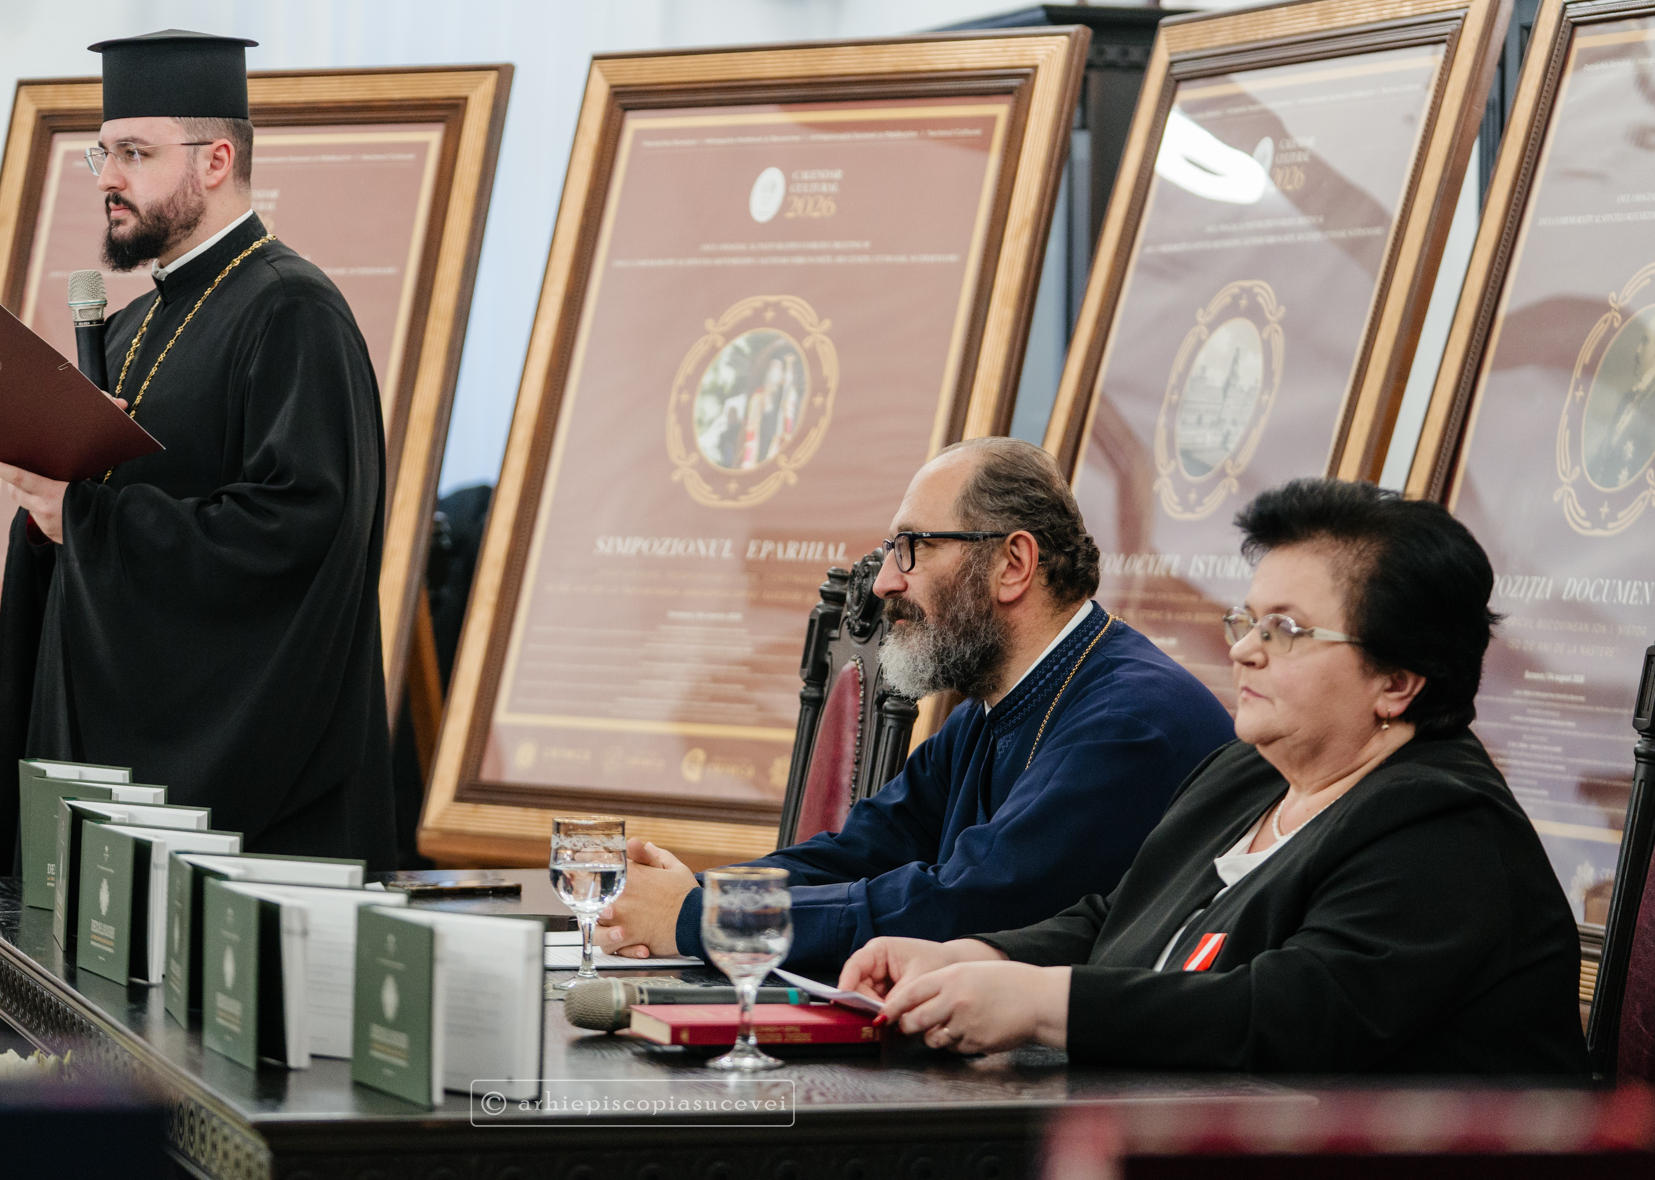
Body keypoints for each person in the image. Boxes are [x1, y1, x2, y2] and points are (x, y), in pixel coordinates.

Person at [842, 478, 1587, 1077]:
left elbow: (1286, 1016)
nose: (1243, 651)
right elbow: (1120, 914)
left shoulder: (1446, 829)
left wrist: (1040, 1003)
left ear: (1397, 680)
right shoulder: (1250, 770)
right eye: (1247, 621)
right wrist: (973, 956)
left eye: (1284, 630)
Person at [0, 30, 396, 874]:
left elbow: (297, 535)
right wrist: (51, 515)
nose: (108, 177)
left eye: (135, 153)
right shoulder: (130, 325)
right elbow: (102, 525)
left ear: (216, 160)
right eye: (102, 152)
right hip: (125, 775)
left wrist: (91, 520)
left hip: (256, 813)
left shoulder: (292, 312)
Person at [597, 437, 1236, 974]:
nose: (883, 582)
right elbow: (861, 851)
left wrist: (704, 917)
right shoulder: (990, 706)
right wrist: (700, 892)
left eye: (912, 546)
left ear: (1013, 564)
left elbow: (959, 910)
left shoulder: (1130, 722)